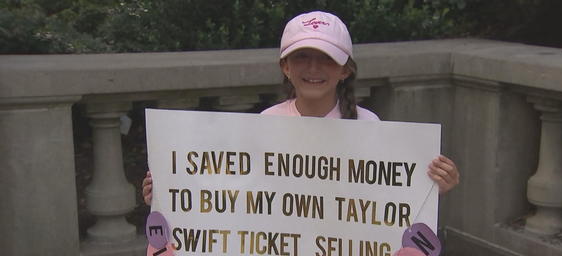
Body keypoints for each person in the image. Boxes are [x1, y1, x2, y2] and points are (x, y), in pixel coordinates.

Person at [142, 11, 459, 206]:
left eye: (326, 59)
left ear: (345, 69)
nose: (313, 68)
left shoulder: (368, 124)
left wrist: (433, 188)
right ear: (285, 67)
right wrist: (169, 195)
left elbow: (388, 201)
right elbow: (235, 197)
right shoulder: (267, 123)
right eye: (302, 57)